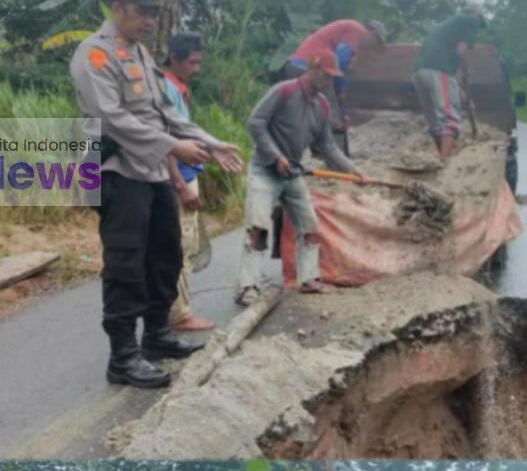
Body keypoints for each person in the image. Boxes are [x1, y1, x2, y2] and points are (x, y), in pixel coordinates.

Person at [69, 0, 242, 390]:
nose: (149, 20)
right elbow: (111, 118)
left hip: (149, 171)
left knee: (165, 253)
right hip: (115, 170)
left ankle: (158, 336)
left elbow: (165, 113)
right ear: (117, 6)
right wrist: (173, 147)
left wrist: (209, 142)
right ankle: (123, 357)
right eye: (141, 10)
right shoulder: (94, 54)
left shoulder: (140, 53)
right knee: (126, 263)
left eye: (154, 13)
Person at [239, 64, 360, 302]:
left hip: (293, 174)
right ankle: (248, 286)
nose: (329, 81)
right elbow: (256, 123)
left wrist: (352, 169)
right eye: (326, 74)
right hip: (265, 171)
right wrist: (276, 156)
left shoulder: (322, 105)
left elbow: (326, 145)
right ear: (314, 69)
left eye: (333, 77)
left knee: (309, 227)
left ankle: (309, 279)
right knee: (258, 229)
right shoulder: (283, 91)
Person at [159, 33, 214, 334]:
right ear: (176, 60)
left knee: (185, 245)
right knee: (181, 247)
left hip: (186, 174)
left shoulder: (177, 89)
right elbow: (166, 142)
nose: (196, 68)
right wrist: (179, 183)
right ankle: (179, 315)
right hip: (179, 178)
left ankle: (177, 311)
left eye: (198, 62)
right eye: (192, 62)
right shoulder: (166, 89)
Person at [287, 17, 387, 134]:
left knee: (304, 112)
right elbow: (340, 62)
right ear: (372, 33)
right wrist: (341, 90)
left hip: (295, 65)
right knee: (330, 107)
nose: (371, 47)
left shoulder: (347, 30)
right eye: (376, 42)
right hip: (309, 67)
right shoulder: (358, 30)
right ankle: (333, 142)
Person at [412, 5, 487, 160]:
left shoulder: (449, 24)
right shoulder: (470, 21)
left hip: (419, 73)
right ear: (477, 15)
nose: (479, 28)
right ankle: (444, 161)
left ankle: (442, 154)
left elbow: (448, 84)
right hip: (438, 70)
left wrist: (465, 98)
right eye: (480, 23)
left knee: (435, 122)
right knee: (450, 119)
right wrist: (465, 71)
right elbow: (460, 51)